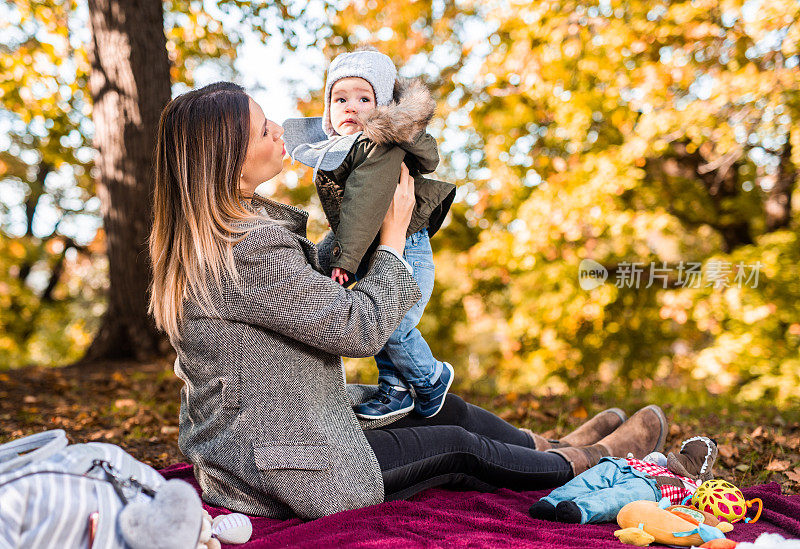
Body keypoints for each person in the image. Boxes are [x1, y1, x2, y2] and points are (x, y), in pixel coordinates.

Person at [148, 81, 669, 521]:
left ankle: (548, 446)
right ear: (224, 159)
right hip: (285, 469)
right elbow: (358, 329)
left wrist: (368, 215)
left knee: (446, 409)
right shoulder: (246, 248)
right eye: (264, 130)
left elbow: (307, 280)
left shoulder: (229, 235)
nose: (282, 131)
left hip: (269, 434)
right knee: (458, 448)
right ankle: (594, 459)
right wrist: (393, 240)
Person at [281, 48, 457, 420]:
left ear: (382, 108)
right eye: (340, 98)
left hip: (404, 247)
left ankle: (430, 378)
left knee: (391, 324)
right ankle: (395, 387)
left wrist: (344, 258)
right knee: (375, 317)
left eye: (364, 98)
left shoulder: (376, 144)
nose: (351, 107)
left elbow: (363, 202)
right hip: (372, 247)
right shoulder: (339, 148)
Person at [529, 436, 718, 524]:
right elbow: (653, 458)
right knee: (587, 480)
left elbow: (700, 505)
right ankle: (550, 502)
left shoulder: (696, 487)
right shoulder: (660, 460)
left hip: (650, 487)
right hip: (622, 465)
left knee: (615, 498)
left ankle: (581, 511)